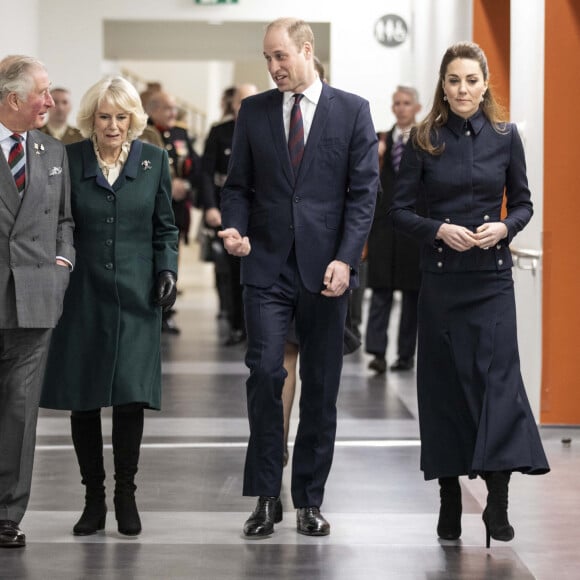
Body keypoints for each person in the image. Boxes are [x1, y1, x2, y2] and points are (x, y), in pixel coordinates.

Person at [218, 17, 378, 538]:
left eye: (280, 56)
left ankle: (309, 499)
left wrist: (346, 258)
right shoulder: (254, 111)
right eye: (267, 58)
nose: (273, 67)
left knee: (321, 387)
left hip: (326, 270)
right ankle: (267, 495)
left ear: (306, 51)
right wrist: (235, 228)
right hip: (264, 265)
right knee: (265, 374)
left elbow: (362, 195)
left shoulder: (352, 111)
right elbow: (237, 185)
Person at [390, 41, 550, 548]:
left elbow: (523, 204)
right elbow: (397, 211)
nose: (463, 89)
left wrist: (504, 229)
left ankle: (498, 501)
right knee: (444, 390)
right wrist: (438, 229)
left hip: (491, 279)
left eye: (472, 81)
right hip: (441, 280)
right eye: (454, 80)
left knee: (497, 385)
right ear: (444, 85)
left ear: (485, 85)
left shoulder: (506, 137)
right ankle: (448, 495)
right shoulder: (423, 138)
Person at [40, 76, 178, 538]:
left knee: (129, 395)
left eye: (121, 116)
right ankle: (93, 499)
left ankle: (126, 494)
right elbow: (58, 221)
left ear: (134, 119)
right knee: (84, 397)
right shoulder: (70, 158)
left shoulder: (154, 160)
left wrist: (168, 270)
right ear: (90, 120)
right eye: (104, 116)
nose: (113, 125)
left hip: (138, 296)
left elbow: (166, 228)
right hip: (81, 294)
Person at [0, 55, 75, 548]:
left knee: (20, 412)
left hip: (35, 299)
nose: (50, 101)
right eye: (42, 93)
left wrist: (62, 264)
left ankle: (7, 514)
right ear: (13, 100)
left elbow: (65, 221)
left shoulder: (52, 151)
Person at [366, 86, 422, 374]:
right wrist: (375, 158)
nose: (401, 108)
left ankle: (405, 354)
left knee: (412, 296)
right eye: (397, 103)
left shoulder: (428, 141)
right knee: (380, 292)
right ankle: (376, 352)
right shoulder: (379, 141)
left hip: (413, 231)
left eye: (406, 103)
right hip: (384, 229)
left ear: (418, 107)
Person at [199, 84, 258, 345]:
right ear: (232, 104)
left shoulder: (268, 129)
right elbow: (206, 172)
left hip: (260, 212)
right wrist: (210, 207)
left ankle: (257, 327)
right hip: (230, 208)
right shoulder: (220, 132)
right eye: (240, 101)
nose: (244, 106)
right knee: (233, 272)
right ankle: (237, 326)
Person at [145, 90, 201, 334]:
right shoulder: (142, 131)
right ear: (153, 109)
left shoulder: (180, 133)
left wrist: (186, 185)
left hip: (175, 208)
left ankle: (167, 310)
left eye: (174, 108)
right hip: (148, 206)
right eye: (167, 108)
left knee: (170, 256)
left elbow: (196, 167)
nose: (173, 113)